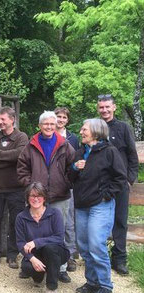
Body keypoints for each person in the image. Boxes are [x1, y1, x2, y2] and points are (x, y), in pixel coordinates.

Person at [69, 118, 127, 293]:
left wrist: (106, 195)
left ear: (95, 132)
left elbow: (120, 178)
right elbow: (70, 177)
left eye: (84, 129)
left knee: (96, 244)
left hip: (100, 205)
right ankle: (92, 281)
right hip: (82, 205)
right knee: (84, 246)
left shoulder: (109, 151)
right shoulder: (80, 152)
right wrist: (74, 167)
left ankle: (105, 285)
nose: (81, 131)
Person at [17, 111, 75, 282]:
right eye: (45, 124)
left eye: (52, 124)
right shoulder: (31, 145)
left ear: (56, 125)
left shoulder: (64, 144)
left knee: (60, 230)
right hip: (37, 196)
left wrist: (66, 182)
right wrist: (31, 187)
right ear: (40, 126)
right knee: (33, 229)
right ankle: (33, 262)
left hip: (59, 194)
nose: (49, 127)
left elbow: (72, 167)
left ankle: (61, 268)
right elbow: (22, 168)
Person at [97, 94, 139, 275]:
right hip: (99, 184)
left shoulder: (123, 128)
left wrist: (129, 179)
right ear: (98, 109)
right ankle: (100, 257)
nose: (104, 110)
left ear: (114, 107)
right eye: (101, 107)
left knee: (120, 221)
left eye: (107, 107)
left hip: (120, 183)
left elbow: (132, 156)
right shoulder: (94, 127)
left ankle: (119, 259)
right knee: (99, 221)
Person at [0, 107, 28, 269]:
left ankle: (12, 255)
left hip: (16, 188)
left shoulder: (21, 136)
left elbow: (21, 154)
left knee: (15, 222)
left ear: (12, 120)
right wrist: (8, 158)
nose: (0, 122)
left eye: (3, 119)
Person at [15, 182, 70, 293]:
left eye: (39, 196)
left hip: (57, 252)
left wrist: (36, 242)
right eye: (32, 196)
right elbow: (20, 243)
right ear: (27, 198)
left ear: (44, 198)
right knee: (27, 267)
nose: (36, 199)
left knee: (50, 248)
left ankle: (51, 287)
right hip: (36, 254)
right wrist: (32, 259)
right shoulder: (21, 217)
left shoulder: (55, 213)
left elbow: (59, 238)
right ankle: (39, 274)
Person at [54, 106, 80, 272]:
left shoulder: (72, 138)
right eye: (58, 116)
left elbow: (75, 160)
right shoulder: (47, 135)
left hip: (67, 183)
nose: (61, 120)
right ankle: (53, 254)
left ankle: (70, 255)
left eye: (64, 117)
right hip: (50, 184)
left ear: (67, 120)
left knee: (69, 221)